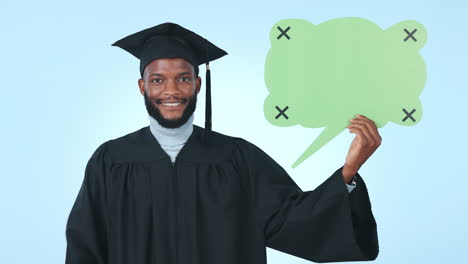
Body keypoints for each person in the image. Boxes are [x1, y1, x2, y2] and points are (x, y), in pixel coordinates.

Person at [65, 22, 381, 264]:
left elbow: (290, 220)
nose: (171, 89)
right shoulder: (111, 160)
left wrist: (349, 170)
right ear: (142, 86)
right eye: (158, 80)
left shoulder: (237, 157)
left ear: (198, 83)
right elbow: (86, 245)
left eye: (183, 78)